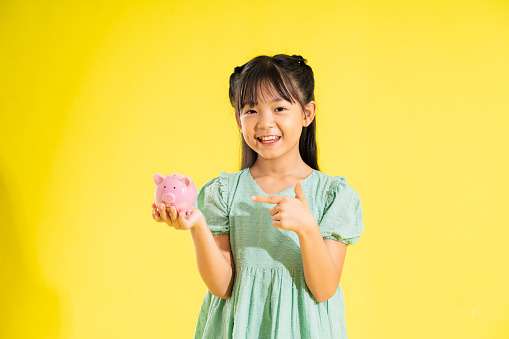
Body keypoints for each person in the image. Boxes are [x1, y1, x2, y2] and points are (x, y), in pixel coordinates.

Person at [151, 54, 364, 338]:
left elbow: (324, 290)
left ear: (306, 114)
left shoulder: (333, 195)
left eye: (279, 108)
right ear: (239, 120)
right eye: (251, 110)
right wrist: (198, 224)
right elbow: (222, 287)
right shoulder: (223, 192)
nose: (264, 123)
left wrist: (307, 227)